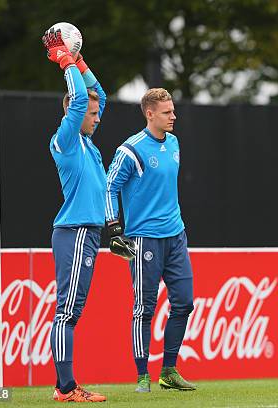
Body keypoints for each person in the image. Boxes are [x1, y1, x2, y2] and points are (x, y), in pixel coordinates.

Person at [105, 88, 196, 393]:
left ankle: (168, 370)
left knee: (184, 303)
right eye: (167, 111)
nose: (174, 116)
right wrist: (115, 228)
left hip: (176, 236)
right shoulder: (130, 150)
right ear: (150, 114)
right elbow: (109, 188)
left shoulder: (173, 143)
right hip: (144, 239)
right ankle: (142, 375)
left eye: (173, 110)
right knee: (144, 308)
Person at [42, 27, 107, 402]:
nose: (97, 118)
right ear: (73, 113)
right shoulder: (66, 139)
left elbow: (97, 96)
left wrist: (80, 60)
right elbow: (81, 98)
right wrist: (63, 58)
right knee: (67, 311)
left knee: (70, 310)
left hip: (85, 231)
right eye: (92, 114)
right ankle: (66, 388)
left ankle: (65, 385)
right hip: (76, 230)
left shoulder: (85, 139)